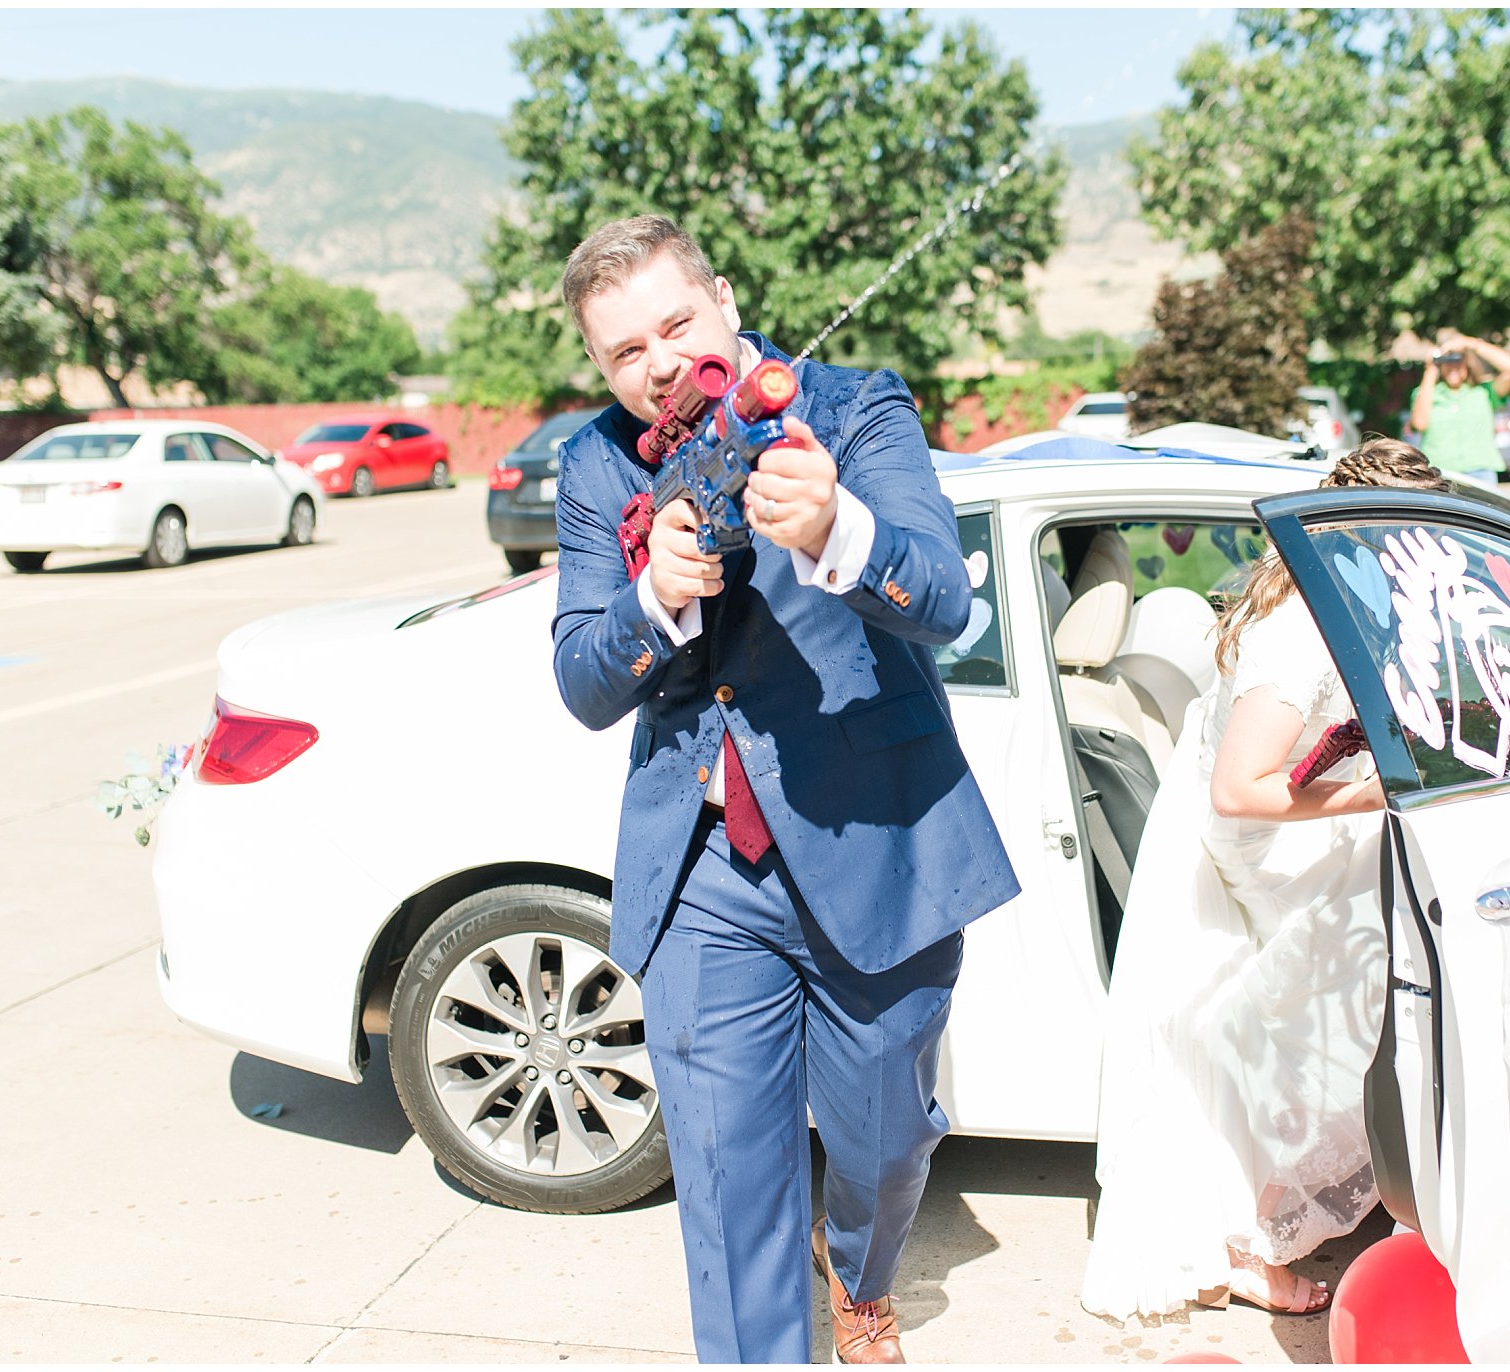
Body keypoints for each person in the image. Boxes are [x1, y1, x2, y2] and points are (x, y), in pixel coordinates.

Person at [549, 215, 1020, 1364]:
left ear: (722, 295)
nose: (657, 363)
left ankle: (857, 1268)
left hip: (877, 838)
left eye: (674, 324)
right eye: (623, 352)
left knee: (882, 1138)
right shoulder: (595, 460)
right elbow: (579, 676)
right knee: (724, 1194)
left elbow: (948, 605)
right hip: (704, 865)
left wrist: (836, 530)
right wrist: (649, 600)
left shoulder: (851, 402)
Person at [1081, 439, 1452, 1323]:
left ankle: (1389, 1171)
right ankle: (1245, 1240)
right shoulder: (1298, 634)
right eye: (1416, 539)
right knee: (1386, 954)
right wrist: (1370, 795)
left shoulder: (1341, 594)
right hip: (1255, 843)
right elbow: (1240, 791)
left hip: (1287, 817)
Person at [1406, 327, 1510, 484]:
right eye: (1447, 362)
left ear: (1467, 363)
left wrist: (1471, 344)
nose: (1453, 367)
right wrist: (1431, 369)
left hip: (1480, 472)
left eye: (1458, 361)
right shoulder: (1426, 392)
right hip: (1439, 472)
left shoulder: (1482, 392)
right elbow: (1419, 424)